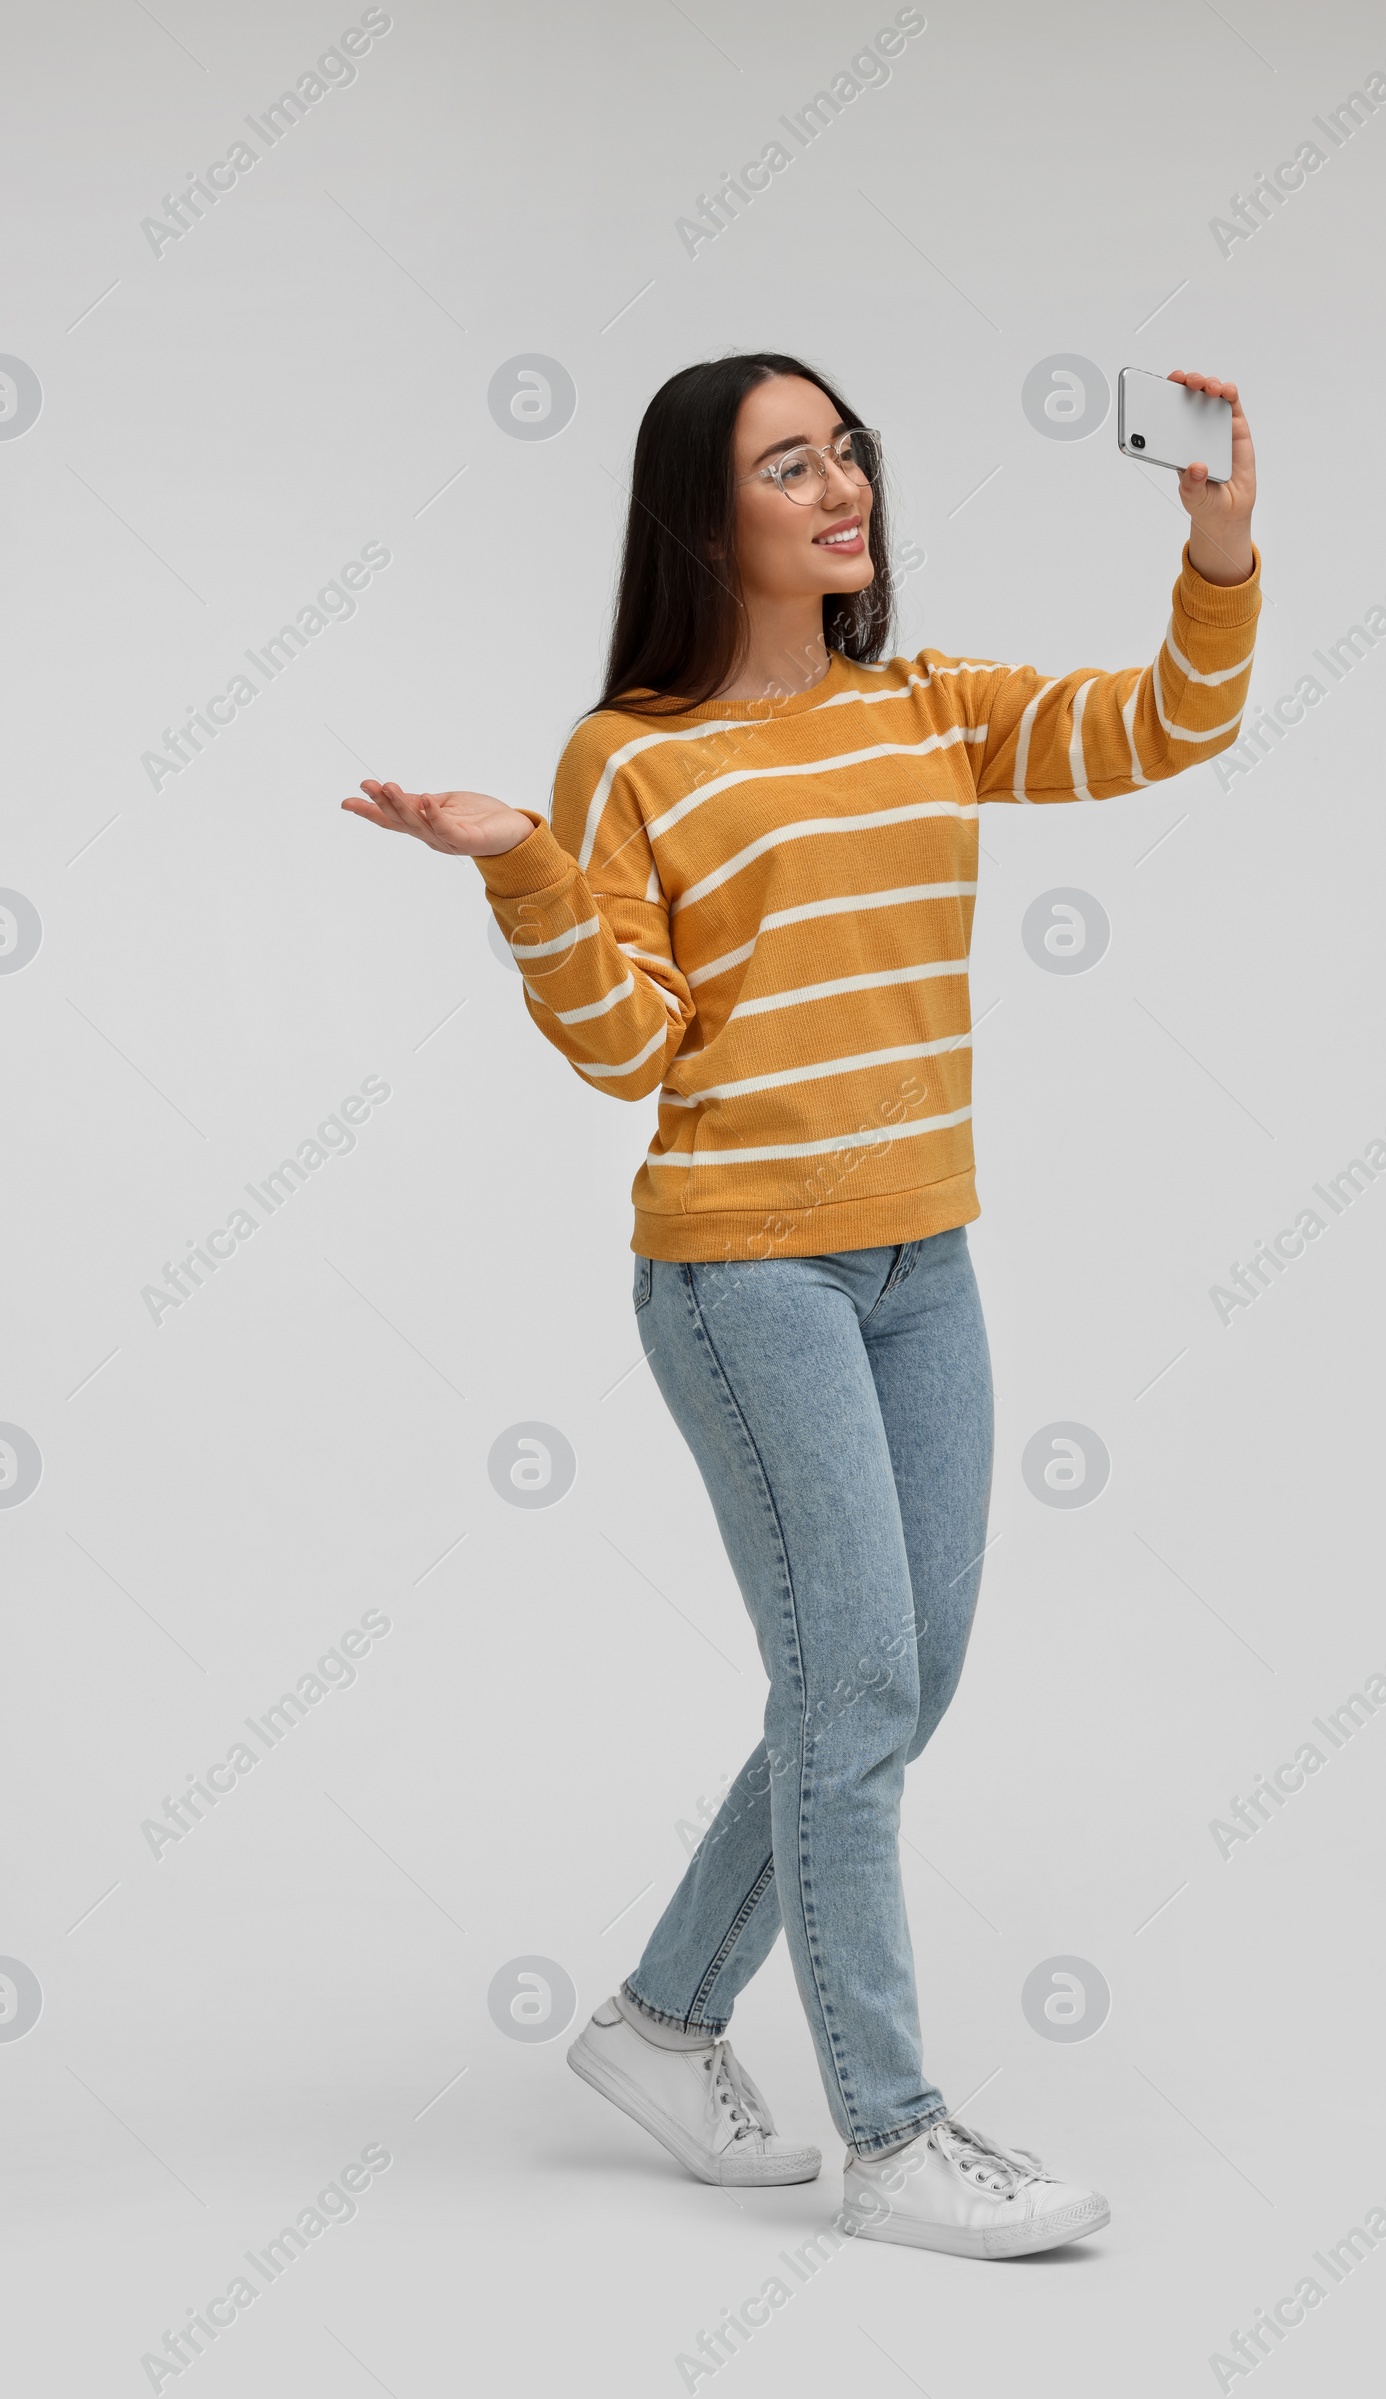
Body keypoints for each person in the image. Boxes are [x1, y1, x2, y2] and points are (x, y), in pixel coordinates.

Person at [342, 350, 1259, 2258]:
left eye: (849, 452)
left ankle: (667, 2026)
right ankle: (899, 2137)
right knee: (850, 1685)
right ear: (707, 518)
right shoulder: (634, 756)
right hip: (747, 1269)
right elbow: (628, 1049)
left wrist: (1219, 540)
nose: (843, 489)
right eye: (790, 466)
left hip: (931, 1259)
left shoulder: (930, 704)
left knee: (896, 1687)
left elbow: (1168, 728)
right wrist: (516, 866)